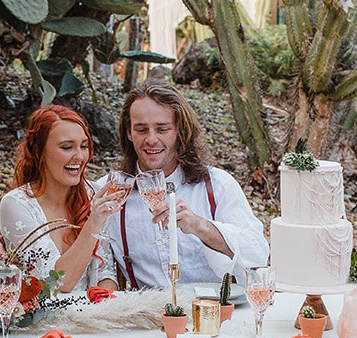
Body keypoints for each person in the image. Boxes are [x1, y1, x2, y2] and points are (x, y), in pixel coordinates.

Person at [108, 80, 269, 289]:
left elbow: (258, 255)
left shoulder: (218, 185)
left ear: (179, 131)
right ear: (129, 133)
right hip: (149, 316)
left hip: (218, 315)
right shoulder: (113, 193)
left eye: (162, 129)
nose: (151, 139)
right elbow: (99, 266)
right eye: (141, 130)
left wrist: (199, 226)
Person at [0, 105, 120, 293]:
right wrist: (93, 222)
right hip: (42, 319)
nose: (79, 156)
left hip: (92, 315)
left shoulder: (93, 194)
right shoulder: (15, 204)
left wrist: (104, 302)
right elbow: (57, 282)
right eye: (67, 147)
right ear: (39, 152)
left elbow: (106, 273)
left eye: (84, 146)